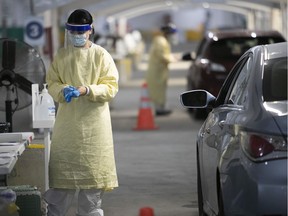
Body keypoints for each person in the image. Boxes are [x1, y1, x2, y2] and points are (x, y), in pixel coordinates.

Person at [44, 9, 119, 216]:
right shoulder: (61, 56)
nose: (77, 36)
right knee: (61, 185)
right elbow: (51, 83)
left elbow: (111, 87)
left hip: (95, 129)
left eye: (81, 32)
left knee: (91, 189)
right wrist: (61, 90)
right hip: (67, 127)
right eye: (73, 32)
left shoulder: (101, 55)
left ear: (90, 31)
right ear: (68, 32)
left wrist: (87, 89)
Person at [146, 23, 178, 116]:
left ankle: (161, 108)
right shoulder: (161, 41)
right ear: (167, 33)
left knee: (160, 90)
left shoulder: (162, 40)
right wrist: (173, 59)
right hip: (157, 71)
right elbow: (162, 56)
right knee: (158, 91)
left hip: (160, 70)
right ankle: (159, 109)